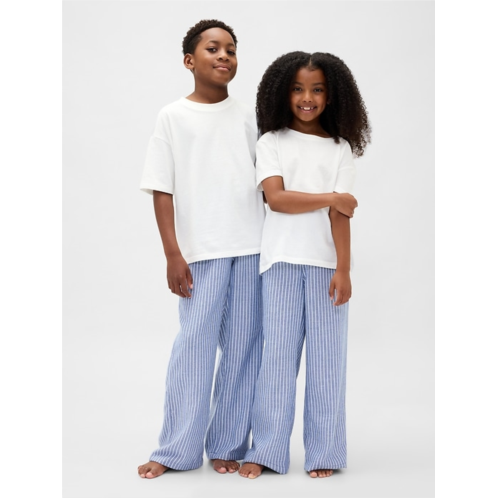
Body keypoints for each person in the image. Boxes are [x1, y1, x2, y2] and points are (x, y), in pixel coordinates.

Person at [137, 20, 359, 478]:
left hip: (256, 250)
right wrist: (172, 253)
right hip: (201, 250)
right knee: (193, 347)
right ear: (189, 59)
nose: (224, 55)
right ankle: (175, 449)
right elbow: (162, 188)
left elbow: (285, 176)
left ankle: (228, 444)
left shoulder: (251, 119)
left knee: (245, 351)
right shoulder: (172, 116)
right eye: (212, 48)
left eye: (231, 49)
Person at [239, 51, 372, 480]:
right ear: (283, 92)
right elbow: (277, 199)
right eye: (297, 89)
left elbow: (340, 216)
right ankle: (267, 449)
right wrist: (332, 196)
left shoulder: (340, 149)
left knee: (328, 362)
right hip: (279, 262)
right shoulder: (271, 142)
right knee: (276, 361)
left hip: (326, 267)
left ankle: (325, 451)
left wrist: (343, 268)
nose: (307, 97)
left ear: (332, 97)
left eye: (317, 90)